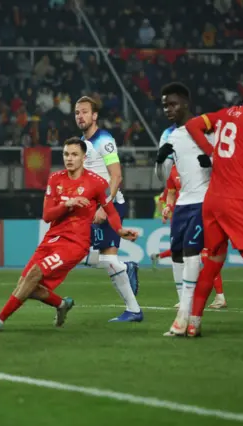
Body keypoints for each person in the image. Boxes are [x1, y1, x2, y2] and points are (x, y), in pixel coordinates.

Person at [0, 138, 138, 332]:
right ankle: (61, 304)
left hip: (75, 243)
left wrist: (120, 231)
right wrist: (67, 203)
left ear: (83, 157)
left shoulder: (97, 183)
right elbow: (47, 216)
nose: (69, 159)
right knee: (25, 285)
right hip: (52, 238)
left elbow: (111, 211)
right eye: (66, 154)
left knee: (34, 274)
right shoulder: (55, 179)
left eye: (74, 155)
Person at [185, 77, 243, 339]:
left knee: (213, 261)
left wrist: (210, 151)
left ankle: (193, 322)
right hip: (235, 199)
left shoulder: (222, 114)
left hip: (212, 200)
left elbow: (193, 124)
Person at [155, 83, 223, 336]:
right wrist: (161, 160)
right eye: (164, 105)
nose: (168, 109)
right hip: (182, 203)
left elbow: (226, 162)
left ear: (185, 103)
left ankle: (183, 315)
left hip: (205, 200)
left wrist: (213, 161)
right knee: (176, 254)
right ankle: (186, 313)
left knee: (192, 251)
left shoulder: (208, 129)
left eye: (172, 104)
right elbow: (162, 177)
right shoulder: (170, 136)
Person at [75, 96, 142, 322]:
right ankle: (127, 267)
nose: (80, 116)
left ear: (94, 116)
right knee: (81, 256)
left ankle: (133, 310)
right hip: (92, 211)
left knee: (108, 261)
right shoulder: (80, 145)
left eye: (84, 112)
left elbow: (116, 175)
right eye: (77, 112)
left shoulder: (104, 140)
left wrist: (106, 205)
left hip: (110, 206)